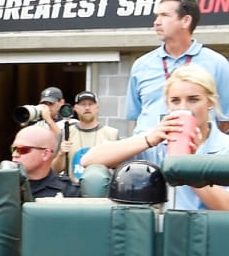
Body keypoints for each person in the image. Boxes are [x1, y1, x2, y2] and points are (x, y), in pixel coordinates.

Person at [83, 67, 229, 211]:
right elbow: (89, 159)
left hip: (206, 231)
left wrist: (188, 166)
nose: (184, 107)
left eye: (193, 99)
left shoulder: (224, 146)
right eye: (175, 101)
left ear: (210, 102)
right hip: (160, 229)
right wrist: (148, 140)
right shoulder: (157, 141)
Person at [0, 122, 80, 256]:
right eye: (13, 149)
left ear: (45, 154)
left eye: (22, 150)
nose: (15, 154)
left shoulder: (69, 193)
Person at [125, 0, 229, 134]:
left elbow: (224, 119)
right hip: (150, 151)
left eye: (164, 15)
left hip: (196, 153)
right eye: (157, 16)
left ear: (185, 21)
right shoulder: (141, 65)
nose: (156, 22)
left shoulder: (217, 63)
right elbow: (137, 115)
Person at [54, 91, 119, 184]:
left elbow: (119, 169)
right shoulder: (66, 133)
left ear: (97, 107)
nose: (87, 108)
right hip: (73, 192)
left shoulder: (111, 134)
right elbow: (55, 170)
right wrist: (61, 153)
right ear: (75, 108)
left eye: (91, 104)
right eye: (83, 104)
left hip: (101, 190)